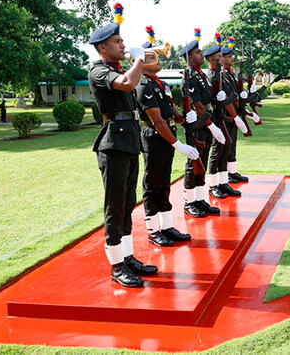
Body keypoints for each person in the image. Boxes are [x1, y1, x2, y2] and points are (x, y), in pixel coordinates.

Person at [88, 16, 157, 288]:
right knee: (115, 206)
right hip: (113, 144)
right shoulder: (99, 71)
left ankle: (127, 257)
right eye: (117, 41)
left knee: (129, 204)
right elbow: (127, 84)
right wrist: (138, 61)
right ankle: (116, 266)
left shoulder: (117, 68)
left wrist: (138, 63)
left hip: (128, 141)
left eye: (121, 40)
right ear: (102, 47)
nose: (122, 44)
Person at [136, 34, 199, 246]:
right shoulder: (143, 84)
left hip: (166, 136)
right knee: (152, 185)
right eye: (154, 56)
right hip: (155, 138)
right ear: (142, 62)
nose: (160, 59)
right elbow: (157, 120)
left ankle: (167, 226)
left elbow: (171, 113)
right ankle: (153, 231)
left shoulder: (161, 84)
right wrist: (177, 143)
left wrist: (184, 118)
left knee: (164, 183)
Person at [181, 39, 226, 217]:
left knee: (203, 162)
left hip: (206, 122)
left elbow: (207, 100)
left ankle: (199, 199)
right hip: (198, 125)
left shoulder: (201, 75)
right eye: (198, 53)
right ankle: (189, 201)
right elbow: (198, 106)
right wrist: (212, 126)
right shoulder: (190, 76)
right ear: (190, 57)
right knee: (193, 164)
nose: (201, 54)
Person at [205, 41, 248, 199]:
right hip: (216, 119)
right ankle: (213, 185)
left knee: (224, 151)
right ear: (211, 59)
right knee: (217, 152)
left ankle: (223, 182)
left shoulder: (222, 75)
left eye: (223, 56)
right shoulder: (211, 76)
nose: (222, 59)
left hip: (224, 117)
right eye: (219, 57)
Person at [221, 39, 259, 184]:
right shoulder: (222, 75)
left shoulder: (231, 74)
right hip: (227, 114)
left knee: (232, 143)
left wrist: (247, 94)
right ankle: (226, 175)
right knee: (225, 146)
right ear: (223, 59)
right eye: (230, 56)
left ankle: (232, 171)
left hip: (235, 112)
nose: (233, 58)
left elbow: (237, 93)